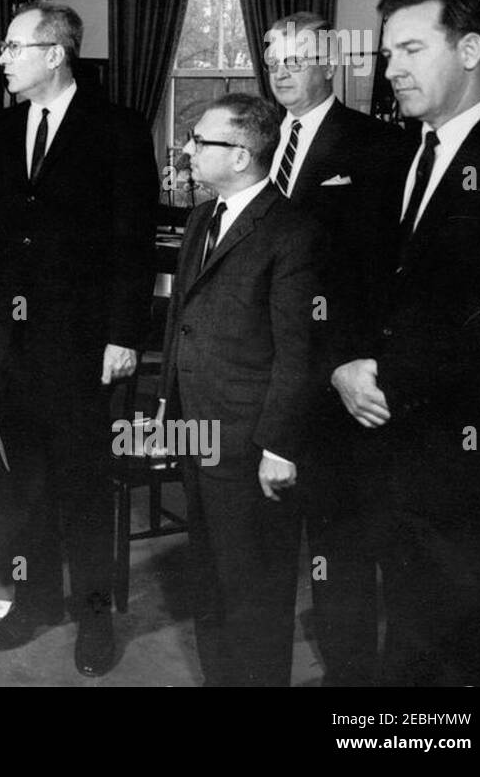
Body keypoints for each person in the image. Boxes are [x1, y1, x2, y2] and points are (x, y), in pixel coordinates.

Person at [0, 1, 155, 676]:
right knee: (25, 485)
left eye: (13, 46)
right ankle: (33, 603)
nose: (2, 58)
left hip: (83, 344)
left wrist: (124, 333)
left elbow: (134, 238)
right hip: (6, 342)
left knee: (83, 486)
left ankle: (94, 619)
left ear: (55, 53)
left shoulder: (119, 129)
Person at [331, 0, 480, 687]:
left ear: (470, 52)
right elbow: (357, 282)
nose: (391, 70)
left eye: (412, 50)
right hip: (389, 457)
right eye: (387, 55)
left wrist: (407, 378)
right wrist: (347, 362)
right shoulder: (394, 159)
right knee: (409, 637)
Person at [262, 12, 415, 687]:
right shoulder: (253, 141)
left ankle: (349, 681)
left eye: (297, 59)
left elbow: (385, 274)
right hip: (257, 373)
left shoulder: (379, 147)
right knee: (259, 535)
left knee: (338, 541)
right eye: (274, 61)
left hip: (332, 379)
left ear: (332, 63)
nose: (283, 72)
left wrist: (342, 363)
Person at [161, 94, 325, 687]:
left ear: (242, 156)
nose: (187, 151)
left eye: (200, 142)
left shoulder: (292, 230)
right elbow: (182, 315)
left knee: (255, 587)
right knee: (207, 576)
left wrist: (280, 447)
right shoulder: (204, 216)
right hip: (196, 430)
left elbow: (298, 350)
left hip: (252, 443)